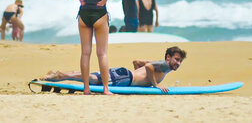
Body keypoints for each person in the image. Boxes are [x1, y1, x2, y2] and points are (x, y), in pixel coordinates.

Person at [57, 0, 123, 95]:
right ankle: (106, 89)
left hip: (84, 15)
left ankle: (86, 89)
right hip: (100, 15)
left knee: (85, 53)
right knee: (102, 53)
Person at [42, 46, 186, 93]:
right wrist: (156, 85)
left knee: (93, 77)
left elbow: (138, 62)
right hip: (125, 79)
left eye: (180, 61)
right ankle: (61, 75)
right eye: (176, 59)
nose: (178, 63)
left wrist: (138, 72)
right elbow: (148, 67)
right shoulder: (164, 65)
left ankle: (61, 74)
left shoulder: (160, 64)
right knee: (93, 79)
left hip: (125, 75)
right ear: (168, 57)